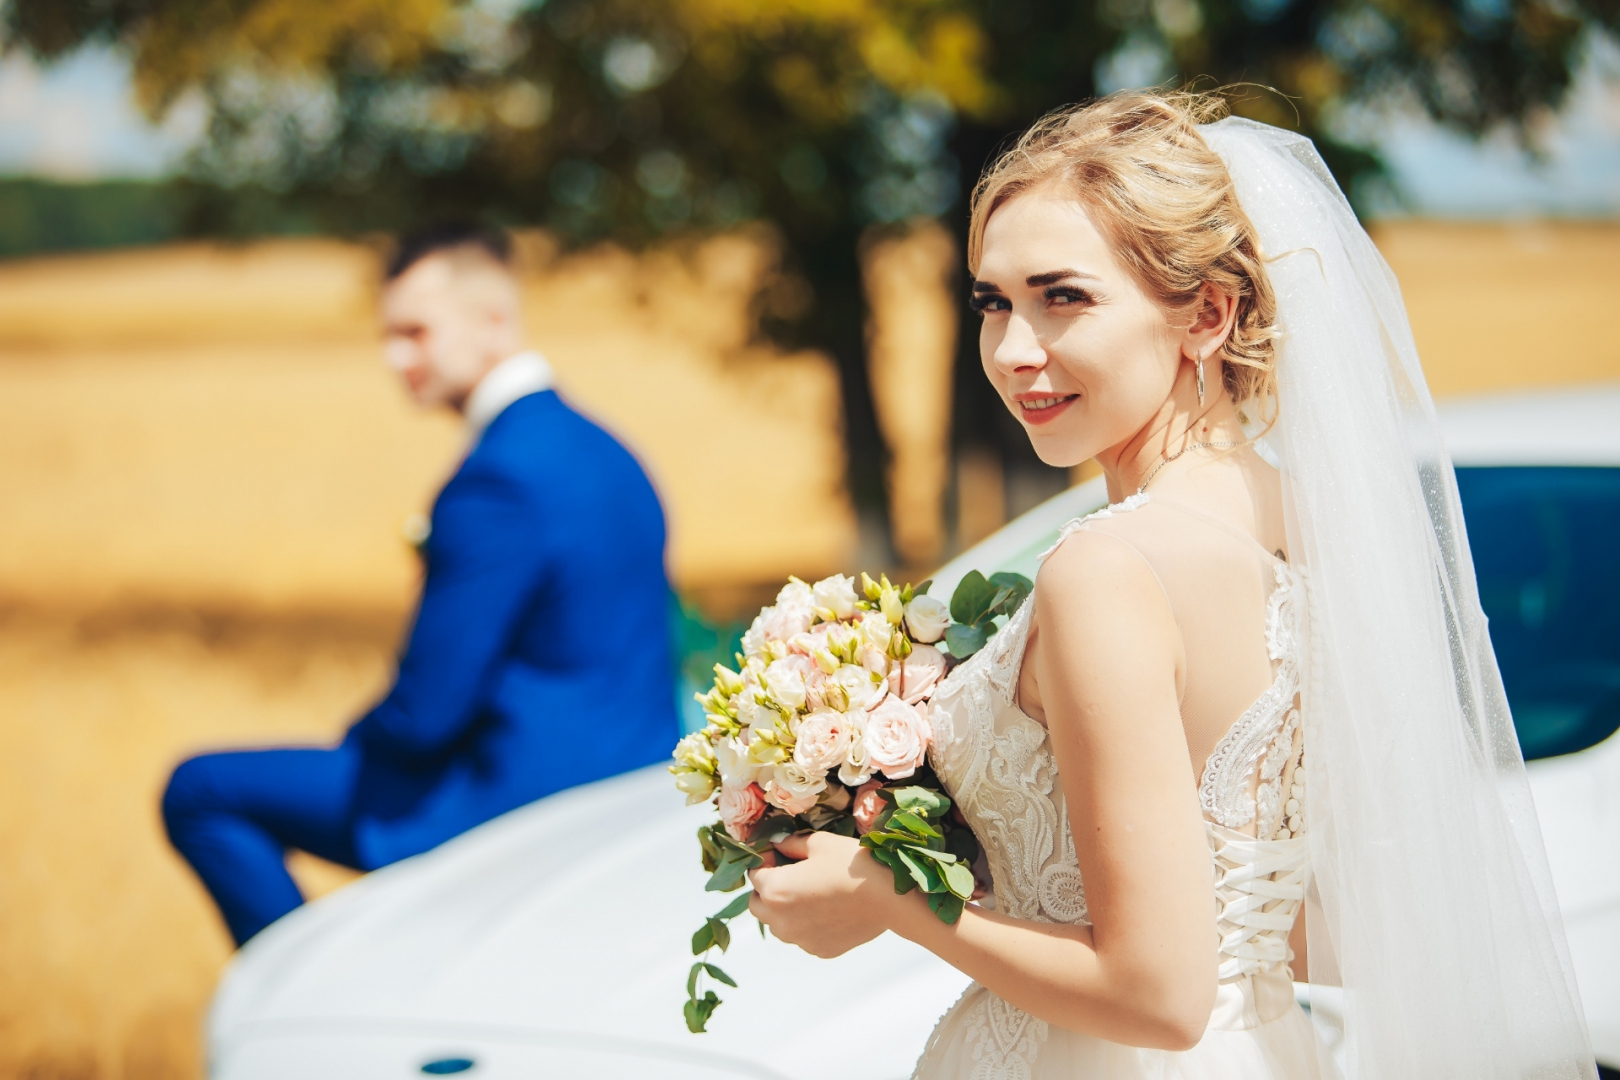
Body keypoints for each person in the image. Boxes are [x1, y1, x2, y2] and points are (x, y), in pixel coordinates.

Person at [744, 92, 1595, 1078]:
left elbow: (1156, 995)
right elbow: (1291, 925)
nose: (1016, 351)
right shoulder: (1311, 528)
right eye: (992, 303)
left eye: (1063, 297)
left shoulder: (1109, 568)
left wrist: (895, 901)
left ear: (1209, 313)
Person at [163, 223, 678, 947]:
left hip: (519, 802)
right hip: (639, 788)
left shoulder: (497, 481)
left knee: (199, 791)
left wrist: (358, 744)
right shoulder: (610, 451)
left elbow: (427, 714)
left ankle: (312, 1011)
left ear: (493, 324)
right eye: (387, 334)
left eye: (415, 332)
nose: (394, 356)